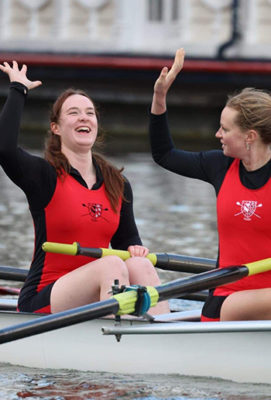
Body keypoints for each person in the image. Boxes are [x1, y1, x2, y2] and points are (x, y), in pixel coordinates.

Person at [0, 60, 169, 315]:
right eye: (73, 112)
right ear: (55, 128)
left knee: (141, 265)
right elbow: (4, 149)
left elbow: (128, 241)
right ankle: (119, 340)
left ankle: (162, 337)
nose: (83, 117)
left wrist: (136, 249)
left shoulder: (118, 184)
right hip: (46, 296)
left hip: (98, 291)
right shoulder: (44, 176)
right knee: (111, 264)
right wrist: (18, 89)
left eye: (89, 113)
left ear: (96, 124)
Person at [149, 48, 271, 321]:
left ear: (250, 136)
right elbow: (164, 154)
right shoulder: (220, 166)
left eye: (225, 130)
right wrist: (160, 97)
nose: (218, 135)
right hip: (226, 302)